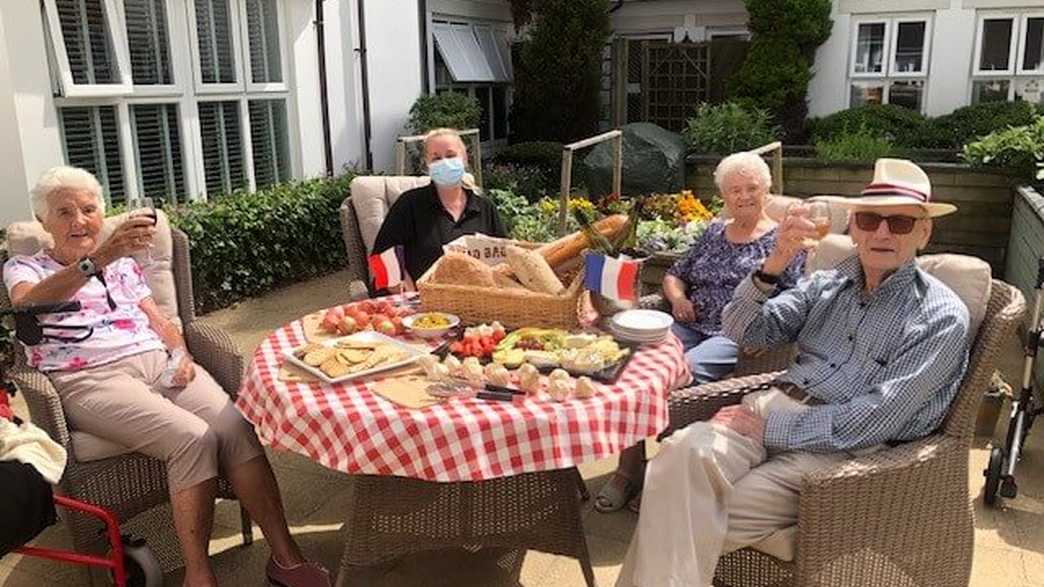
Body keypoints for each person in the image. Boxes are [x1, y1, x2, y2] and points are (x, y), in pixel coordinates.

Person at [615, 158, 970, 587]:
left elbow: (877, 419)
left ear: (924, 232)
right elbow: (743, 330)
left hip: (842, 450)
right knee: (675, 459)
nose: (881, 233)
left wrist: (769, 429)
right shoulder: (828, 283)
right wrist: (776, 261)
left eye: (899, 223)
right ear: (854, 228)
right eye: (871, 219)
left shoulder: (940, 316)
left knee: (679, 509)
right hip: (771, 406)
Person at [3, 167, 330, 587]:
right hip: (90, 377)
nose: (79, 221)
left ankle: (285, 558)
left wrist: (181, 352)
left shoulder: (123, 266)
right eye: (64, 211)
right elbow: (27, 303)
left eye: (88, 209)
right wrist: (98, 258)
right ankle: (199, 575)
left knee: (235, 425)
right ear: (44, 222)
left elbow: (156, 318)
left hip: (156, 363)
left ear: (102, 215)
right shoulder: (25, 266)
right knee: (193, 438)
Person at [594, 151, 804, 513]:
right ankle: (629, 468)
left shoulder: (781, 243)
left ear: (767, 190)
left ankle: (663, 472)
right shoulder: (713, 233)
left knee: (675, 374)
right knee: (626, 366)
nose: (743, 196)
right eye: (734, 190)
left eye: (751, 188)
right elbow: (676, 273)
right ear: (724, 196)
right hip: (689, 323)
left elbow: (798, 298)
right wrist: (676, 299)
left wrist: (764, 331)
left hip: (735, 336)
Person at [371, 128, 506, 291]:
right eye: (436, 158)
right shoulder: (409, 204)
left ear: (465, 159)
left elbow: (503, 259)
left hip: (476, 303)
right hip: (422, 307)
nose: (444, 162)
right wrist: (409, 295)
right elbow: (381, 255)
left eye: (450, 155)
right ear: (427, 165)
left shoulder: (485, 208)